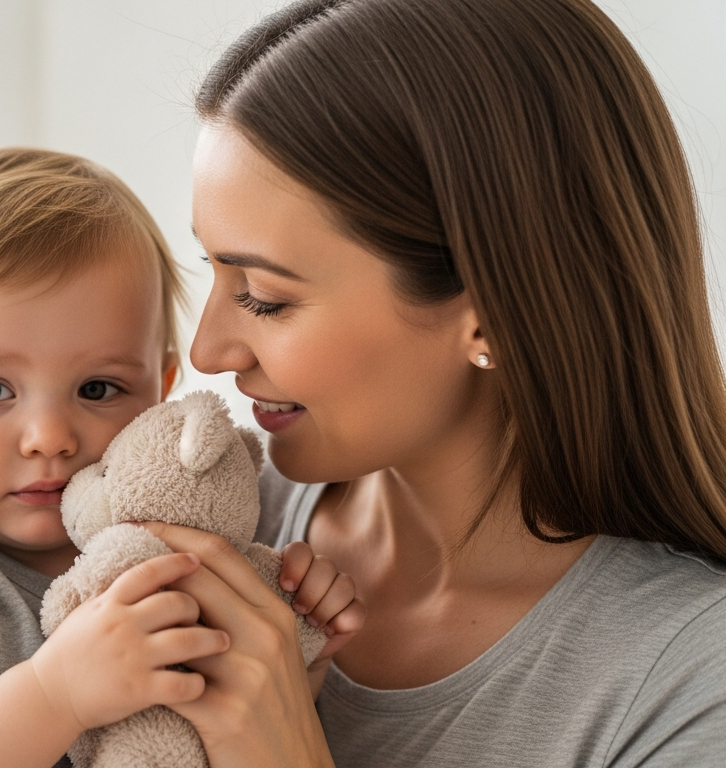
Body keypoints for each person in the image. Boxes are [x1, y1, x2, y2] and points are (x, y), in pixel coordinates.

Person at [139, 0, 726, 765]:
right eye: (210, 269)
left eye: (266, 296)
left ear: (491, 316)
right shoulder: (207, 524)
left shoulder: (686, 680)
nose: (209, 351)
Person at [0, 148, 365, 768]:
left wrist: (296, 650)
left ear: (159, 389)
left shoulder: (174, 558)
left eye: (97, 389)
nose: (49, 437)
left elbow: (224, 732)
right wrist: (55, 693)